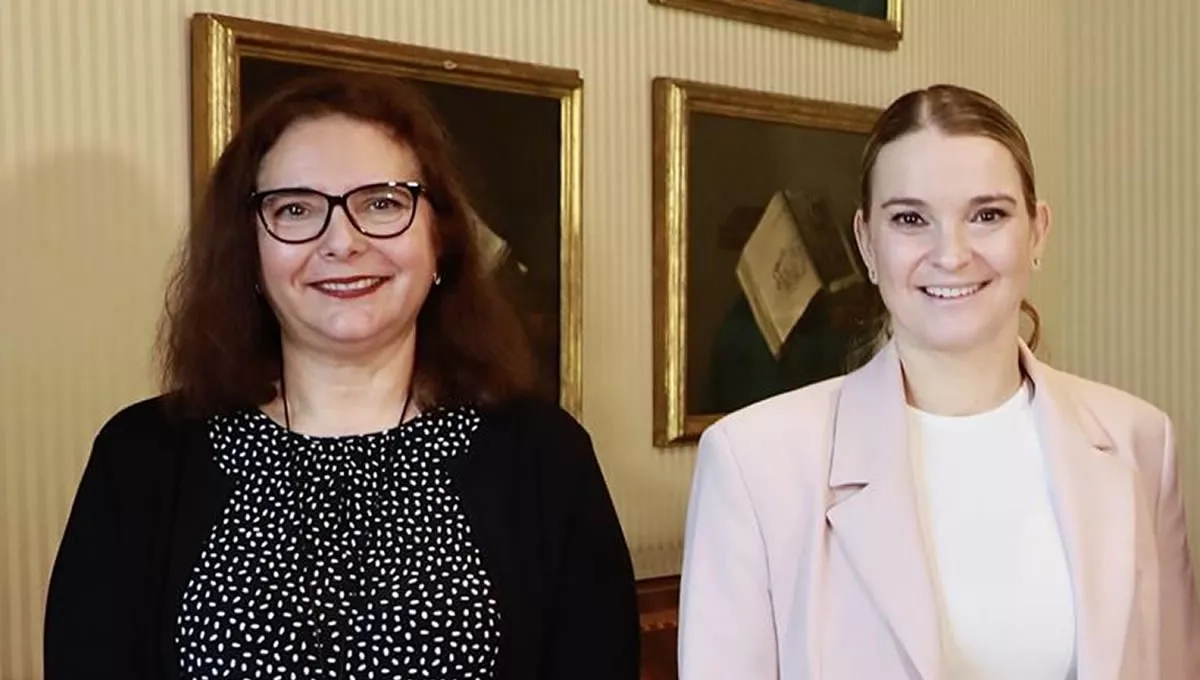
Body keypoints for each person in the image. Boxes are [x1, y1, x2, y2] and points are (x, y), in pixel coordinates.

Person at [44, 72, 640, 680]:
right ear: (248, 251)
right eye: (295, 209)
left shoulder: (544, 458)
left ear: (440, 240)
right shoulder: (141, 459)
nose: (342, 242)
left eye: (382, 203)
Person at [677, 83, 1200, 679]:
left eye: (987, 215)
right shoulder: (753, 463)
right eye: (910, 218)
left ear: (1038, 231)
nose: (951, 254)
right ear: (866, 243)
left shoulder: (1139, 442)